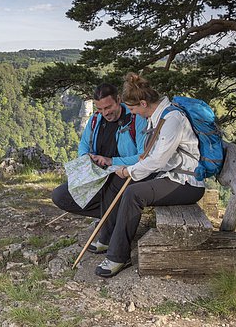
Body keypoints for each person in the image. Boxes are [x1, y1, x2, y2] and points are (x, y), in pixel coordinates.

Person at [95, 73, 205, 277]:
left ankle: (118, 257)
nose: (133, 113)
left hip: (186, 182)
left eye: (134, 108)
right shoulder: (159, 117)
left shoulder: (172, 119)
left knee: (134, 194)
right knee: (117, 181)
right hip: (168, 176)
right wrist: (125, 172)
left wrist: (129, 170)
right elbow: (153, 157)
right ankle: (107, 236)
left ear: (143, 103)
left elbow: (158, 160)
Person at [51, 82, 147, 253]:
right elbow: (83, 145)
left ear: (118, 100)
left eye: (108, 107)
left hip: (125, 175)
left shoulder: (135, 119)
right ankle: (112, 216)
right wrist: (86, 158)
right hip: (98, 176)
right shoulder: (95, 119)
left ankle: (108, 233)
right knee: (60, 196)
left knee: (116, 182)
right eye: (101, 108)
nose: (105, 113)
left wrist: (111, 161)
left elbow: (143, 156)